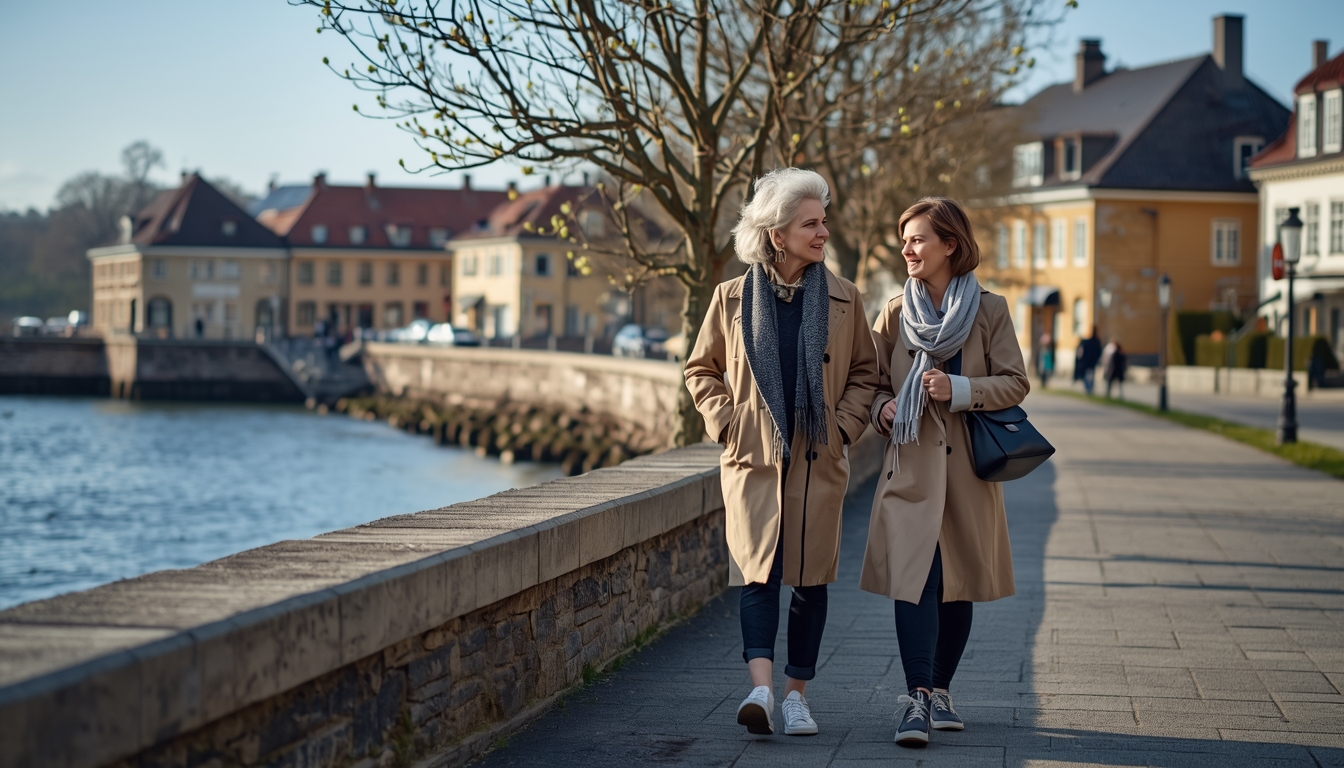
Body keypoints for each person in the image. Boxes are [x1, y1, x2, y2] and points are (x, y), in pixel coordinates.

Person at [685, 168, 878, 738]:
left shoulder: (845, 298)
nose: (823, 232)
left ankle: (797, 697)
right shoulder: (730, 298)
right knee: (758, 574)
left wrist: (840, 429)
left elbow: (866, 374)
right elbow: (701, 370)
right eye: (810, 223)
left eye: (823, 221)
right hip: (755, 460)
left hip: (818, 458)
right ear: (777, 234)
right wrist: (729, 424)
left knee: (811, 581)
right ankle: (761, 690)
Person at [861, 197, 1029, 748]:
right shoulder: (893, 313)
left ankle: (939, 690)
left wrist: (959, 390)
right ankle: (915, 700)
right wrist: (882, 408)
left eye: (917, 239)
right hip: (909, 470)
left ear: (949, 245)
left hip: (968, 474)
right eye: (904, 239)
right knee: (917, 583)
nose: (907, 249)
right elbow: (871, 382)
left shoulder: (989, 310)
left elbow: (1014, 382)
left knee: (957, 587)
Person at [1074, 326, 1103, 396]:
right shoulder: (1096, 342)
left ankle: (1088, 388)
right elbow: (1099, 352)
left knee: (1086, 375)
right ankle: (1090, 388)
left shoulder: (1088, 342)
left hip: (1087, 361)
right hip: (1092, 361)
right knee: (1091, 375)